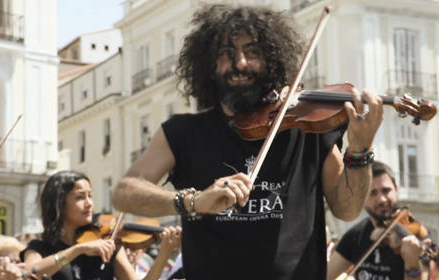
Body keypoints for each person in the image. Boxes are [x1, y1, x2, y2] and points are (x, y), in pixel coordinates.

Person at [112, 3, 384, 279]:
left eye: (252, 52)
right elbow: (123, 193)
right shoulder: (182, 133)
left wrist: (360, 151)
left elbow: (347, 210)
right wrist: (195, 201)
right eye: (226, 54)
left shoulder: (307, 127)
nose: (240, 63)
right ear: (209, 67)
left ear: (271, 61)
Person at [21, 170, 181, 280]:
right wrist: (78, 250)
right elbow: (31, 273)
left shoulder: (108, 245)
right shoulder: (40, 248)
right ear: (60, 204)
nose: (89, 203)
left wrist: (163, 254)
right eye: (80, 197)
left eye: (90, 196)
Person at [327, 161, 429, 280]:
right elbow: (326, 275)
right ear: (362, 196)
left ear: (396, 189)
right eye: (372, 193)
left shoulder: (415, 234)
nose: (381, 199)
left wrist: (412, 264)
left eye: (386, 190)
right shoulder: (356, 236)